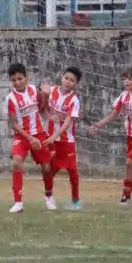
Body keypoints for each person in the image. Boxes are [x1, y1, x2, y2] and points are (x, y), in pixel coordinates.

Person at [90, 66, 132, 206]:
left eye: (130, 79)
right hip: (130, 135)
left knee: (129, 163)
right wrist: (98, 124)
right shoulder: (123, 96)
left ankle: (126, 196)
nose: (126, 81)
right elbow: (114, 114)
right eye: (124, 79)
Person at [6, 63, 54, 213]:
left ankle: (49, 197)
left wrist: (45, 95)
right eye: (14, 80)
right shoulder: (11, 99)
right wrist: (29, 138)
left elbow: (40, 108)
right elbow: (13, 124)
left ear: (26, 78)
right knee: (16, 162)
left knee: (47, 168)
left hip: (39, 133)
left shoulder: (33, 90)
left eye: (20, 78)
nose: (17, 82)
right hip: (22, 136)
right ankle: (18, 202)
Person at [40, 66, 82, 210]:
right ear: (62, 77)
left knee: (72, 171)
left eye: (72, 80)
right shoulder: (51, 91)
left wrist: (55, 136)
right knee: (49, 169)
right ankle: (49, 197)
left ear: (76, 84)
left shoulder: (74, 100)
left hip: (66, 140)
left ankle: (76, 201)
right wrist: (49, 115)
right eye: (66, 78)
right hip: (50, 138)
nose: (68, 82)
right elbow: (42, 108)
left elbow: (67, 122)